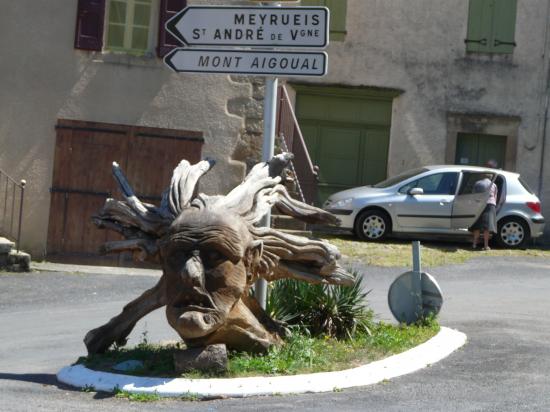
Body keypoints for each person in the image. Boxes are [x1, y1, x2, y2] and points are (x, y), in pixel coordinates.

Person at [470, 173, 498, 250]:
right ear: (491, 178)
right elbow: (495, 197)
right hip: (490, 205)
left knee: (477, 226)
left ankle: (474, 244)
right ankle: (486, 246)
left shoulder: (478, 183)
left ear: (483, 176)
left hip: (479, 204)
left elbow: (473, 195)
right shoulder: (494, 185)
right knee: (487, 227)